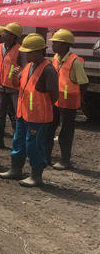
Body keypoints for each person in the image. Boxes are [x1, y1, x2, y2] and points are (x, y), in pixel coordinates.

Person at [0, 34, 58, 187]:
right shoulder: (28, 67)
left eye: (29, 52)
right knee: (18, 142)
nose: (26, 55)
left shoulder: (48, 70)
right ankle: (15, 170)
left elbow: (54, 95)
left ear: (39, 51)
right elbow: (18, 85)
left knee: (34, 145)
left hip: (38, 117)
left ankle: (36, 176)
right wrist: (14, 77)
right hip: (23, 114)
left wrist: (40, 106)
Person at [46, 29, 88, 170]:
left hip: (69, 102)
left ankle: (65, 160)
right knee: (49, 129)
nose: (53, 45)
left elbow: (84, 83)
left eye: (56, 43)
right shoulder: (56, 58)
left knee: (66, 132)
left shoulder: (74, 61)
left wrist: (80, 99)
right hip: (56, 101)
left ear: (65, 44)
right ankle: (46, 157)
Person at [0, 23, 25, 148]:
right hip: (1, 86)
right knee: (0, 115)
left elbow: (24, 68)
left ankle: (18, 142)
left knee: (16, 116)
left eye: (6, 32)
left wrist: (17, 76)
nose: (3, 34)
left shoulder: (20, 50)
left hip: (14, 88)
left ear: (13, 36)